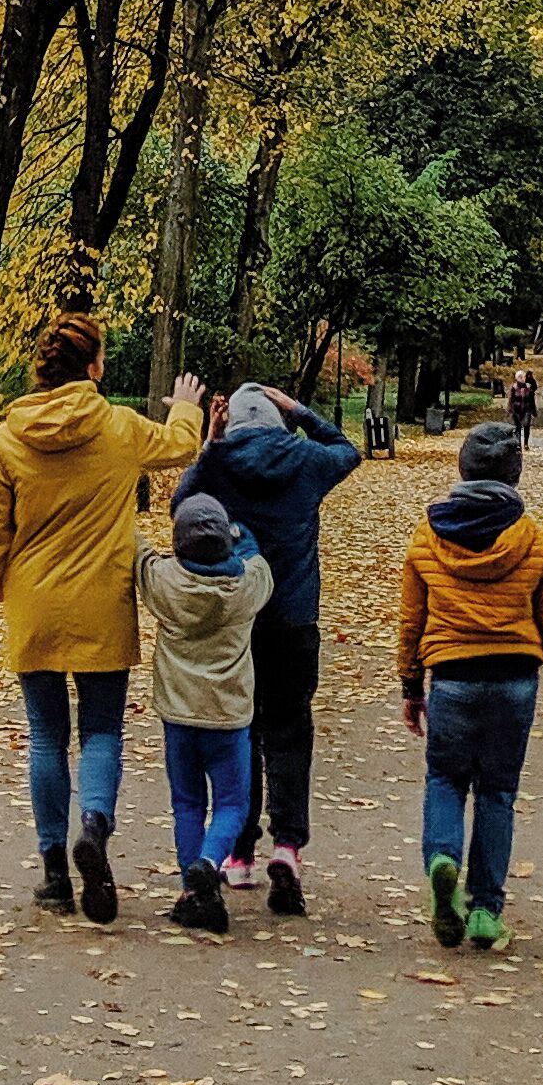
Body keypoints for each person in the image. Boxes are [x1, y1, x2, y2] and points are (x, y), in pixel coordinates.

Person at [0, 312, 206, 921]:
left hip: (34, 603)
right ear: (95, 366)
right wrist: (186, 408)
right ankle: (95, 827)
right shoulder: (120, 428)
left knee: (45, 735)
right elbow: (182, 446)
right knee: (101, 730)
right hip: (102, 602)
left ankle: (55, 873)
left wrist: (6, 590)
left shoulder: (8, 438)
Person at [173, 383, 360, 913]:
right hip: (295, 620)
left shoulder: (221, 461)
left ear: (231, 424)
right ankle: (288, 846)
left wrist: (210, 445)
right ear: (279, 421)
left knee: (243, 731)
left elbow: (181, 505)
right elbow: (348, 452)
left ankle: (239, 853)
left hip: (238, 621)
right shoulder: (305, 460)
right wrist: (301, 411)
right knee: (290, 731)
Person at [398, 417, 543, 952]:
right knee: (498, 792)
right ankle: (485, 911)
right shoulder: (534, 539)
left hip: (452, 676)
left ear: (463, 469)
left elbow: (412, 619)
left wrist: (410, 683)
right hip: (513, 678)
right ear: (514, 474)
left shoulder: (428, 537)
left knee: (445, 778)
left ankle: (442, 858)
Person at [134, 494, 274, 931]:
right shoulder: (249, 586)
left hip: (178, 716)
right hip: (229, 718)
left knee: (187, 803)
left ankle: (192, 890)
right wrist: (239, 532)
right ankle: (210, 863)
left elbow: (138, 552)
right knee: (233, 802)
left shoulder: (164, 583)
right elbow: (254, 553)